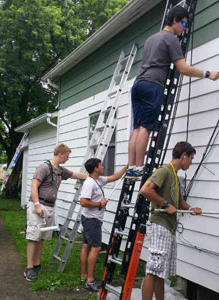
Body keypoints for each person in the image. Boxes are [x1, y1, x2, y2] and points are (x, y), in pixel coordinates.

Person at [127, 6, 219, 177]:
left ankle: (132, 168)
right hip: (152, 85)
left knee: (137, 128)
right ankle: (138, 168)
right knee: (146, 128)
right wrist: (208, 74)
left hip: (138, 85)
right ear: (175, 20)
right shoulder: (171, 39)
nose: (184, 27)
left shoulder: (151, 39)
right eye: (184, 23)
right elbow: (183, 68)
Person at [140, 141, 202, 300]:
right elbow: (145, 190)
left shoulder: (175, 175)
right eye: (191, 159)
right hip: (159, 225)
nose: (191, 162)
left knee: (161, 272)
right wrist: (166, 205)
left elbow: (179, 201)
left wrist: (190, 209)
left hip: (168, 227)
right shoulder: (165, 171)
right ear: (184, 156)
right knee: (153, 271)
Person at [24, 143, 87, 281]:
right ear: (60, 154)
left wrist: (92, 177)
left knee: (41, 237)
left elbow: (76, 174)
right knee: (33, 237)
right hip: (39, 206)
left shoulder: (60, 170)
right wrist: (37, 205)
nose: (68, 159)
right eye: (67, 156)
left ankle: (36, 264)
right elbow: (34, 186)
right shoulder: (44, 167)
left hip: (50, 207)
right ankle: (28, 268)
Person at [80, 158, 127, 292]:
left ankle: (83, 275)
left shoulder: (98, 180)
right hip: (92, 220)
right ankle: (89, 280)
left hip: (89, 219)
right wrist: (100, 204)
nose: (103, 167)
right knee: (95, 248)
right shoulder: (90, 183)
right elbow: (83, 202)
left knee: (86, 245)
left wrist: (126, 167)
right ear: (95, 168)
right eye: (101, 165)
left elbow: (114, 177)